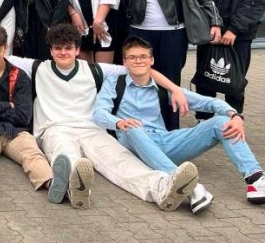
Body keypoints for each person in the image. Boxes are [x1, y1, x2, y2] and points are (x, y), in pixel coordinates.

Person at [0, 23, 198, 211]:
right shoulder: (38, 67)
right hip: (55, 129)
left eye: (68, 47)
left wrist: (175, 89)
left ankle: (162, 188)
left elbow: (139, 68)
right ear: (51, 50)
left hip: (91, 128)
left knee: (121, 161)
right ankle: (75, 189)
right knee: (66, 157)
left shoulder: (95, 70)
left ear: (77, 49)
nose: (63, 52)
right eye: (58, 48)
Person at [93, 36, 265, 211]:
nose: (138, 61)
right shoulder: (114, 83)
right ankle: (189, 185)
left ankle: (255, 179)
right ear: (125, 61)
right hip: (134, 145)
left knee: (223, 122)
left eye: (143, 56)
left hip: (165, 142)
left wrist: (235, 115)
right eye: (132, 57)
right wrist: (119, 122)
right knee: (133, 129)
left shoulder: (164, 88)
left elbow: (209, 103)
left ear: (151, 60)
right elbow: (99, 113)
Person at [0, 25, 53, 194]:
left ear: (5, 47)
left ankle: (53, 184)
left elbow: (23, 116)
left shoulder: (20, 76)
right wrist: (7, 105)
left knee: (33, 153)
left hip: (16, 132)